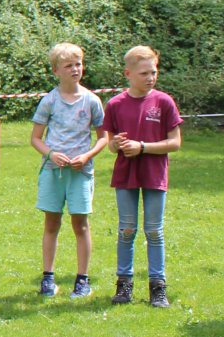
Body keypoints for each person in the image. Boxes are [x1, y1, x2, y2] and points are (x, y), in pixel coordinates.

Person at [104, 45, 183, 308]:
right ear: (128, 73)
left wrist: (143, 147)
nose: (150, 77)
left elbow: (175, 142)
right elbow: (109, 143)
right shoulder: (115, 104)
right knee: (127, 230)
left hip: (154, 174)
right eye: (144, 73)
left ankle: (157, 287)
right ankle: (124, 285)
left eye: (154, 72)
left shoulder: (163, 102)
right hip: (126, 175)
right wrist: (116, 143)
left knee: (154, 231)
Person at [30, 43, 106, 298]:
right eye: (69, 66)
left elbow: (103, 138)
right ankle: (48, 278)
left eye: (78, 64)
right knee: (51, 224)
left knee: (80, 224)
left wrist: (86, 156)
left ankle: (82, 279)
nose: (75, 70)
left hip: (81, 173)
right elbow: (36, 139)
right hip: (53, 171)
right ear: (56, 70)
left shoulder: (92, 101)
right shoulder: (49, 101)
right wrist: (51, 154)